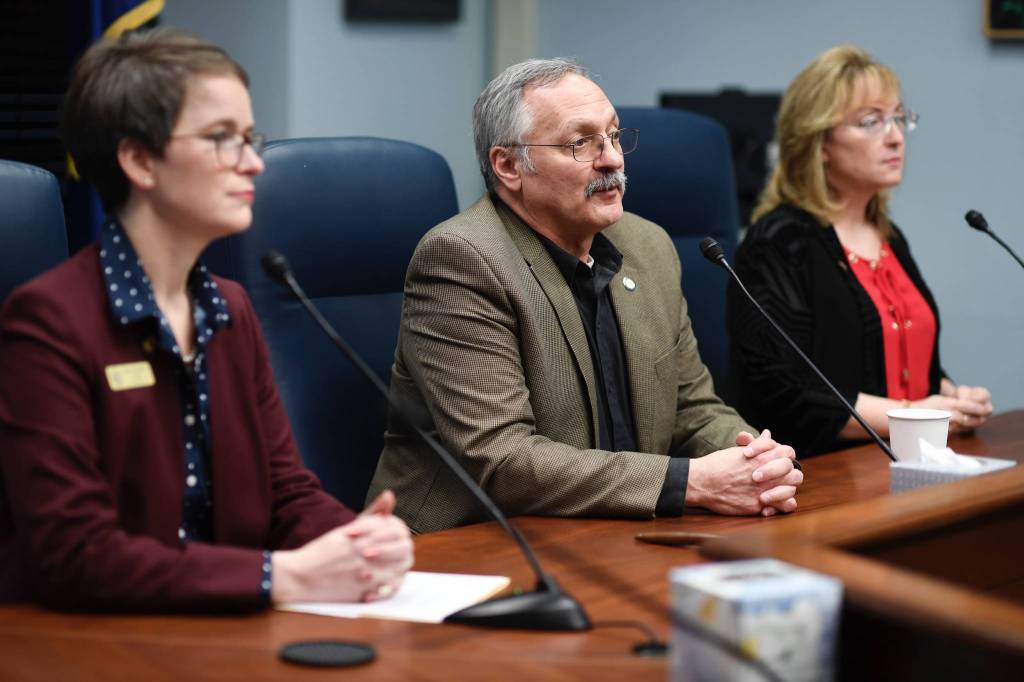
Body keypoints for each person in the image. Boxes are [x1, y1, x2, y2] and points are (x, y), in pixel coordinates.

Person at [0, 28, 412, 611]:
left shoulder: (229, 307)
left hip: (223, 628)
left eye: (250, 139)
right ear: (139, 160)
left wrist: (355, 541)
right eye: (222, 139)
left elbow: (286, 494)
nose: (252, 164)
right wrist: (281, 577)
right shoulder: (48, 321)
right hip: (92, 643)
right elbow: (75, 552)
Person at [367, 59, 803, 533]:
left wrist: (755, 462)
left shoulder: (650, 246)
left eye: (614, 136)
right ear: (509, 165)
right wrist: (690, 481)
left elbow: (692, 409)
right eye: (581, 143)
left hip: (610, 532)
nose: (612, 159)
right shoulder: (462, 259)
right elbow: (502, 459)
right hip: (472, 548)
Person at [726, 45, 993, 457]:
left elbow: (894, 357)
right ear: (819, 143)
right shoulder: (778, 243)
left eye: (899, 118)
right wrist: (917, 414)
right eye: (871, 122)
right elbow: (786, 389)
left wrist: (954, 398)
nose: (895, 137)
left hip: (911, 459)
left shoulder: (890, 237)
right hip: (822, 476)